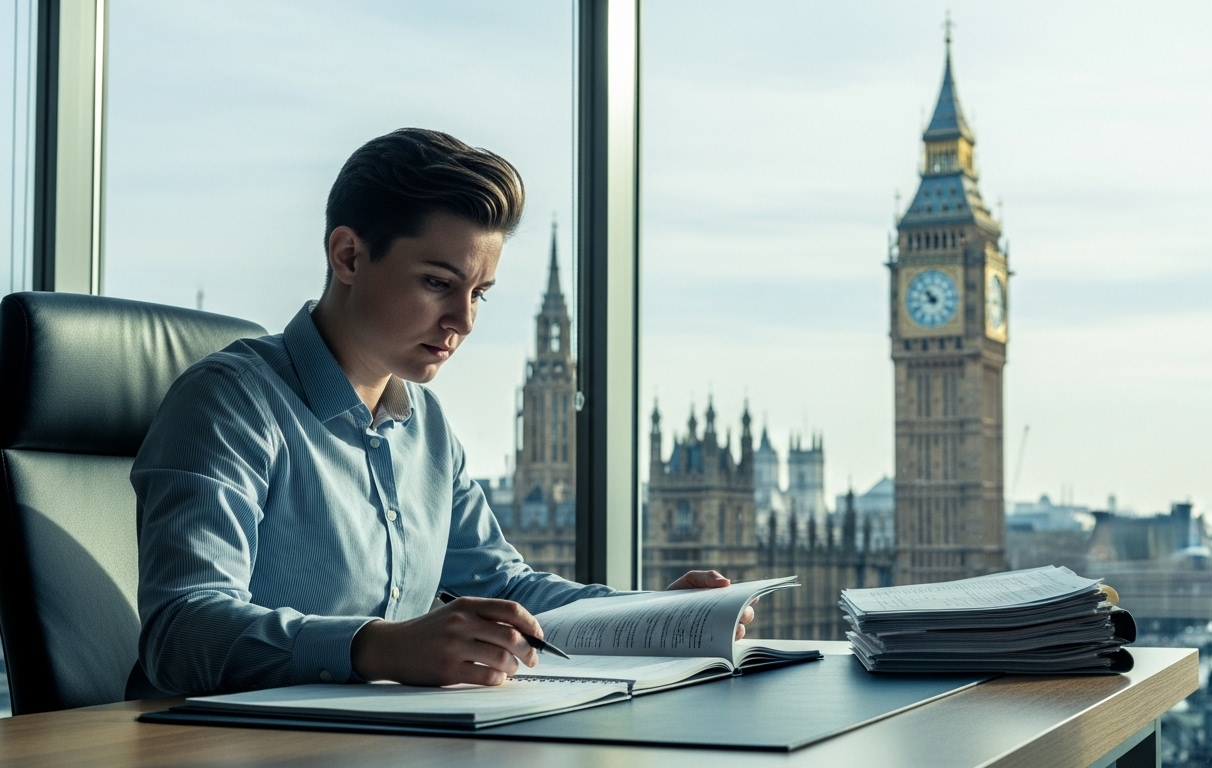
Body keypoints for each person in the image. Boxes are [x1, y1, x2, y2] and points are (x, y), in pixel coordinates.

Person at [131, 128, 754, 696]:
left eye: (478, 293)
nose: (463, 321)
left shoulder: (425, 426)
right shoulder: (228, 403)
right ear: (348, 257)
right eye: (437, 283)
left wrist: (649, 613)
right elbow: (181, 632)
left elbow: (506, 587)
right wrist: (382, 647)